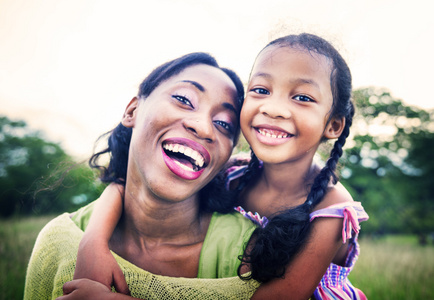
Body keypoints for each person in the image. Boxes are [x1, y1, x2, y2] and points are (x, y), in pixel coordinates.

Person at [60, 33, 369, 300]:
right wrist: (94, 241)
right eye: (261, 90)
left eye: (302, 97)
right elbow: (122, 187)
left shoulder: (332, 209)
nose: (273, 108)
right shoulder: (235, 173)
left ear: (334, 125)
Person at [24, 52, 263, 300]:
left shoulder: (248, 252)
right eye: (184, 99)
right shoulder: (59, 241)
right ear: (132, 111)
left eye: (224, 124)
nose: (203, 127)